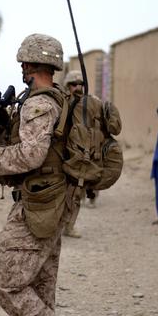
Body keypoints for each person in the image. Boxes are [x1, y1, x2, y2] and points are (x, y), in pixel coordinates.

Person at [0, 34, 91, 316]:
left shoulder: (39, 104)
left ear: (32, 65)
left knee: (5, 284)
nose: (21, 68)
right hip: (55, 202)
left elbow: (31, 156)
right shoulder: (59, 99)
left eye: (24, 62)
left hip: (39, 203)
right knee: (39, 285)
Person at [62, 70, 96, 238]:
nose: (77, 88)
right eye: (73, 84)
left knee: (76, 195)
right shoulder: (60, 103)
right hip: (61, 155)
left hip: (80, 156)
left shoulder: (88, 105)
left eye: (80, 85)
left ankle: (70, 226)